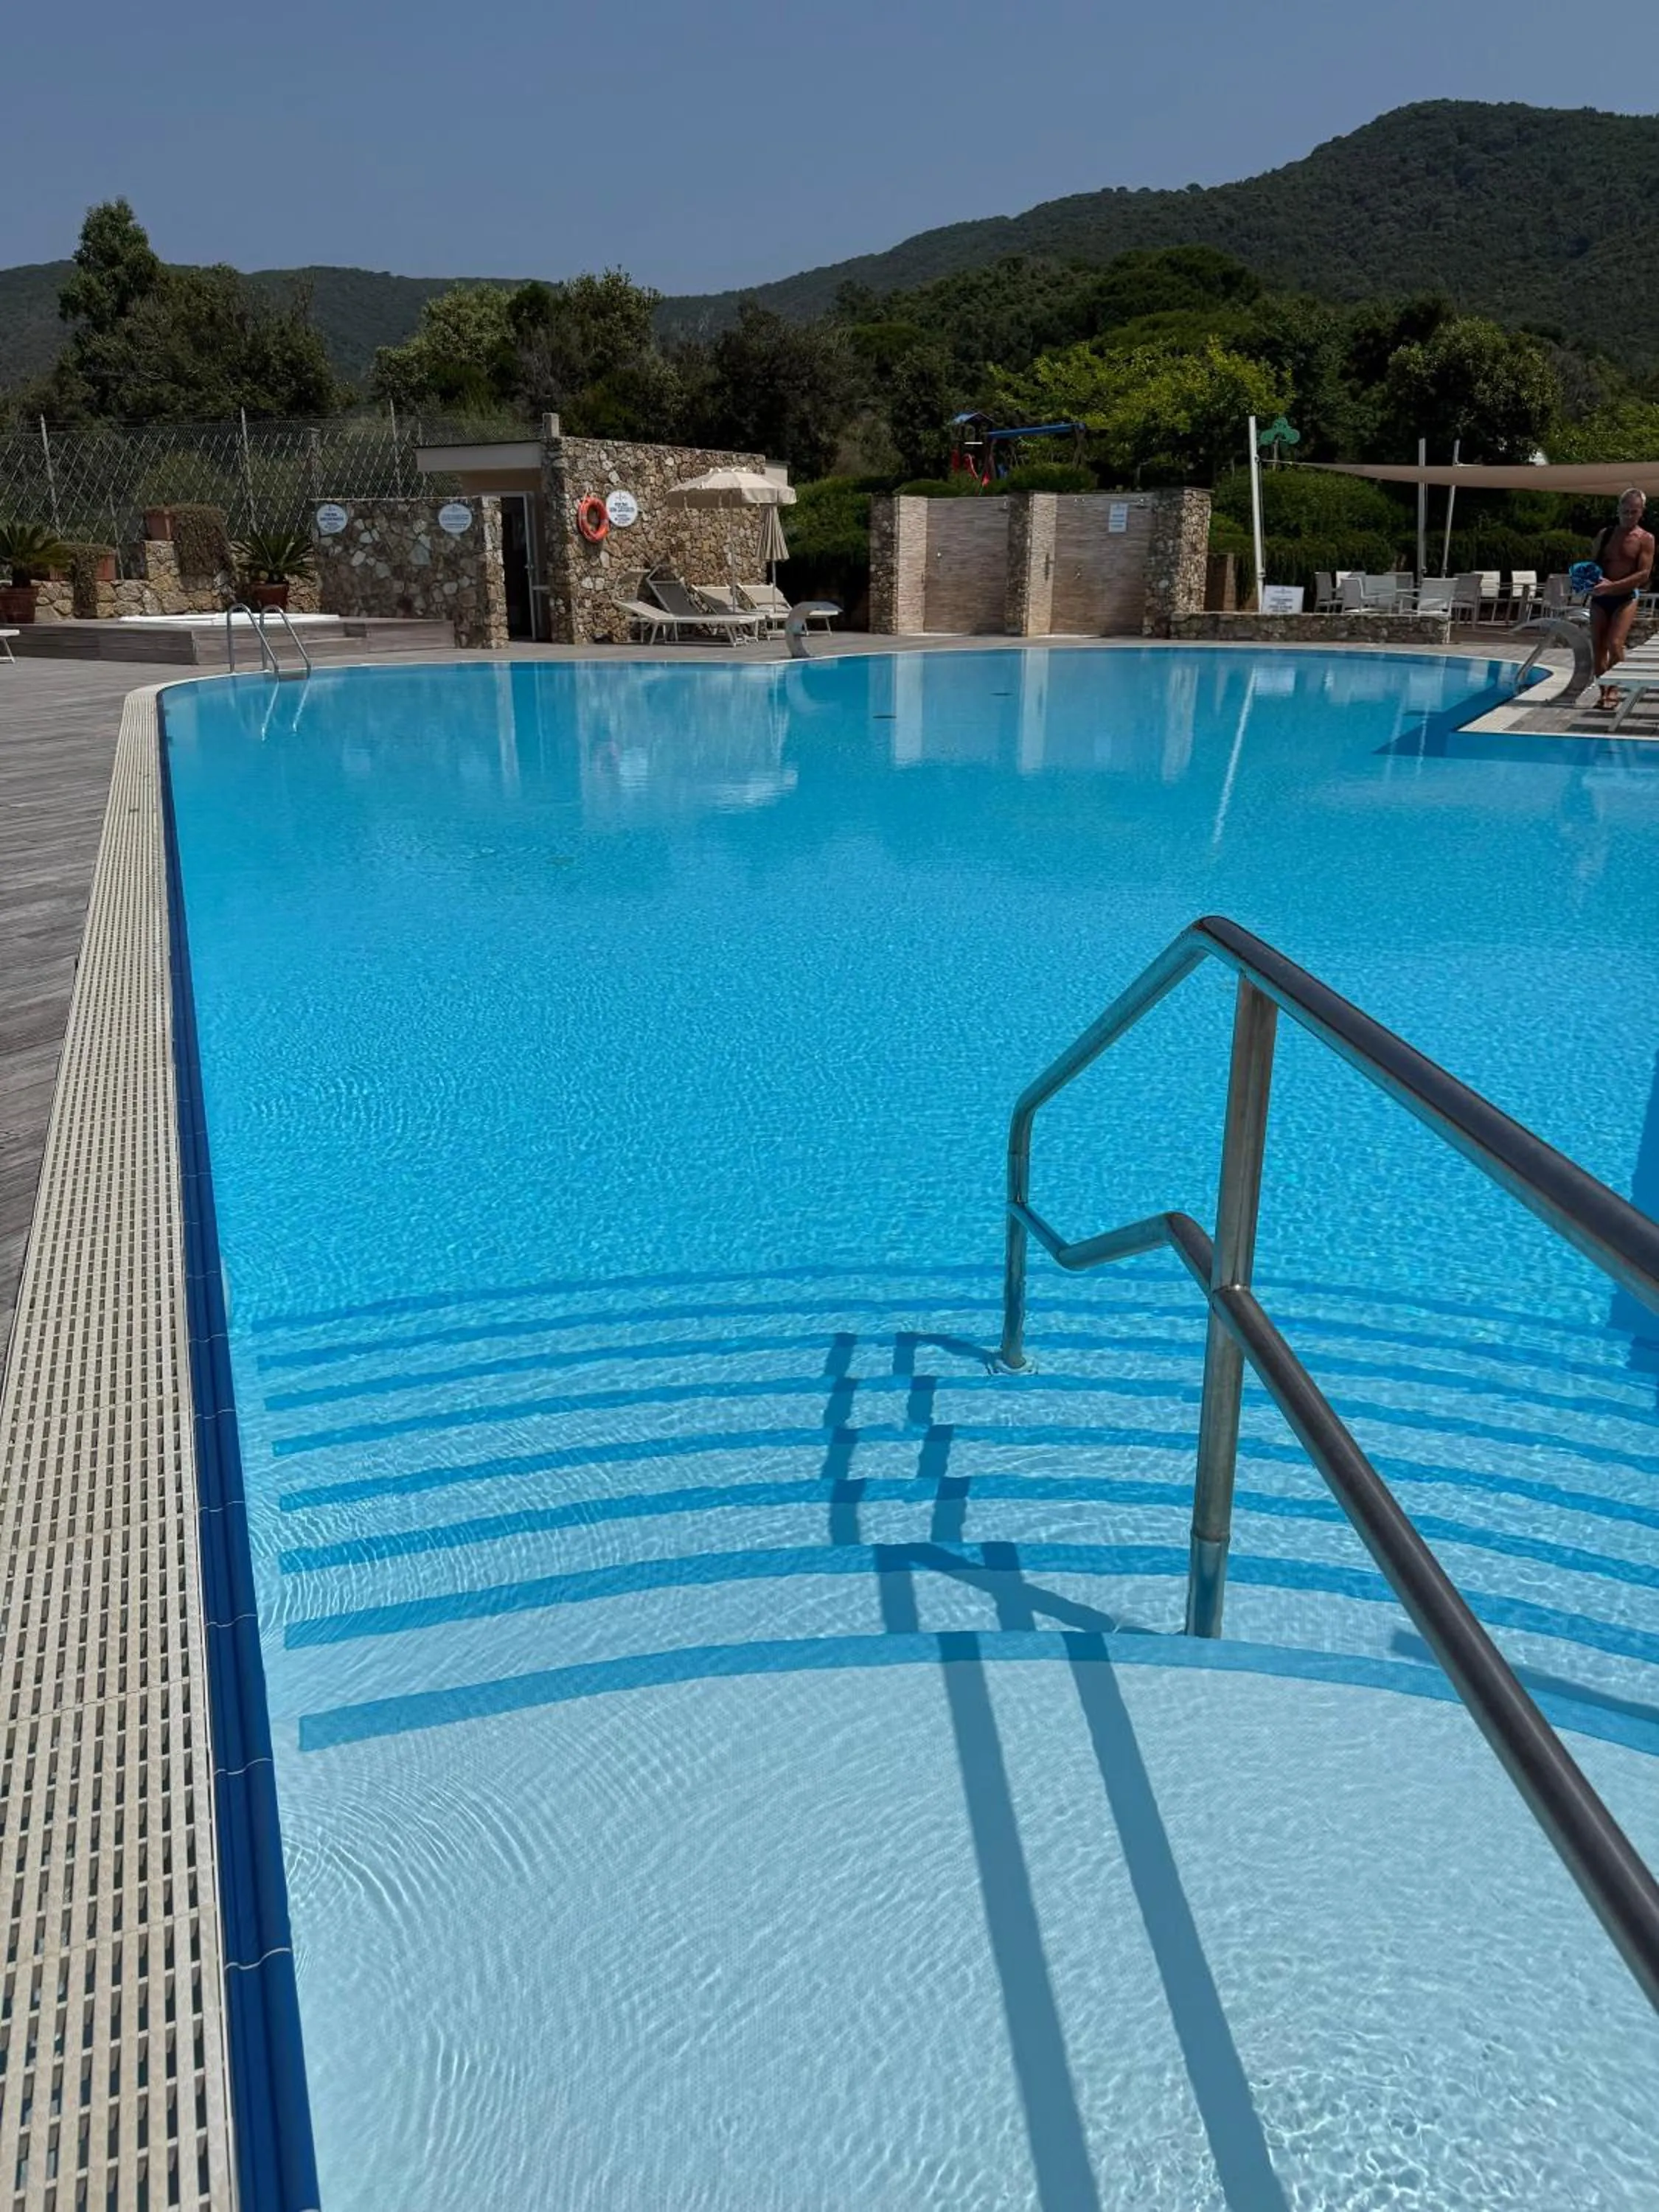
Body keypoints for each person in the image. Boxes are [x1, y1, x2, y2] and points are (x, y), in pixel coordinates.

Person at [1588, 488, 1655, 709]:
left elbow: (1644, 574)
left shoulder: (1645, 539)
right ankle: (1604, 692)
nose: (1629, 516)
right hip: (1601, 597)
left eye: (1634, 512)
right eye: (1625, 511)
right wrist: (1589, 580)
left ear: (1641, 512)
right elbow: (1594, 563)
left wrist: (1613, 586)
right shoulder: (1605, 534)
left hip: (1625, 597)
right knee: (1598, 645)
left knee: (1615, 643)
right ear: (1618, 509)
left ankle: (1615, 689)